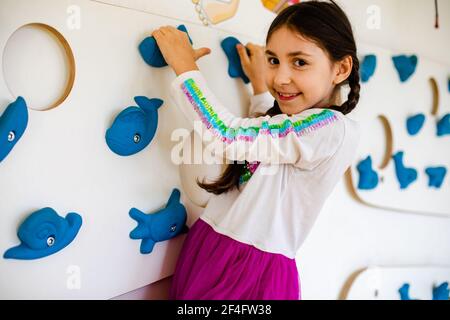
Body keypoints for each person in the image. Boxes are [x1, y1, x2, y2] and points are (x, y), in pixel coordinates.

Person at [152, 0, 361, 300]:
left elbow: (228, 135)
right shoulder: (301, 126)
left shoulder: (330, 129)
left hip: (248, 273)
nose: (280, 77)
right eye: (274, 60)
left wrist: (185, 69)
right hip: (214, 247)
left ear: (341, 68)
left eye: (299, 62)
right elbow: (272, 136)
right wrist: (260, 89)